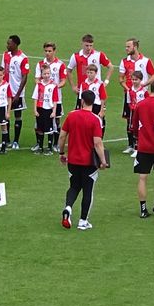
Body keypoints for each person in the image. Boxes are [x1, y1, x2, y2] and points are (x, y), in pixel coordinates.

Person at [58, 89, 107, 229]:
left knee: (73, 186)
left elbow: (62, 136)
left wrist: (61, 152)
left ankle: (68, 208)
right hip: (89, 162)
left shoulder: (72, 115)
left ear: (82, 101)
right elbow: (97, 143)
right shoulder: (95, 119)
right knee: (87, 190)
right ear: (94, 103)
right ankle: (83, 221)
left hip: (73, 160)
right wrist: (103, 161)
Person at [131, 75, 154, 218]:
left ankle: (142, 209)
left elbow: (134, 126)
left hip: (143, 147)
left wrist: (137, 139)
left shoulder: (140, 105)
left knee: (142, 177)